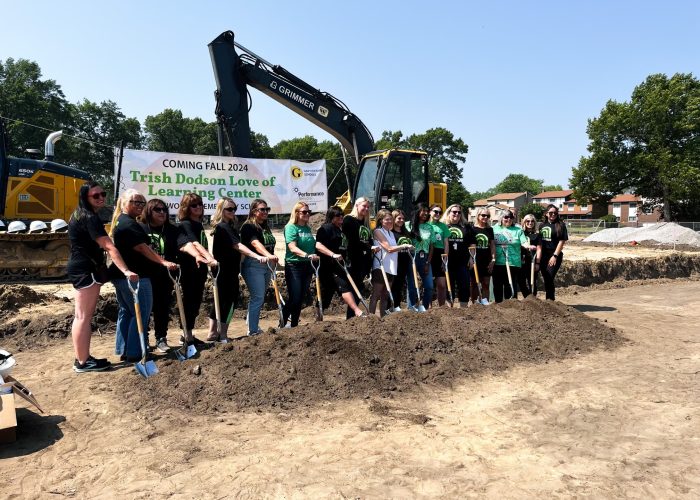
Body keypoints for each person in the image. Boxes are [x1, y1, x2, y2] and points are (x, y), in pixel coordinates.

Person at [67, 182, 136, 373]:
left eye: (102, 194)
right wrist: (125, 270)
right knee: (83, 316)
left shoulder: (80, 214)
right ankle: (82, 362)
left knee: (82, 316)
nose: (101, 198)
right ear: (85, 198)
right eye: (95, 196)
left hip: (82, 267)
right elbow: (109, 246)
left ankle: (82, 358)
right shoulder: (89, 218)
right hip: (85, 270)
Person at [109, 189, 178, 362]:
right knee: (140, 313)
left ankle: (124, 349)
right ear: (124, 203)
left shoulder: (121, 221)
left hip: (123, 276)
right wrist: (163, 262)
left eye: (141, 202)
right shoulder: (130, 224)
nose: (139, 205)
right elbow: (142, 248)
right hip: (136, 277)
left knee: (127, 312)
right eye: (135, 202)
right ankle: (135, 352)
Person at [207, 197, 268, 341]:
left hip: (229, 269)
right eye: (229, 209)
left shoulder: (230, 226)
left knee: (221, 300)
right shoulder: (223, 227)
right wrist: (256, 256)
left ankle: (212, 332)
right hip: (225, 270)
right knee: (229, 301)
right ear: (221, 210)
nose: (232, 211)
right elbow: (237, 246)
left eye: (234, 209)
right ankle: (222, 334)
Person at [176, 193, 218, 345]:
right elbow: (195, 244)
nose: (198, 207)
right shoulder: (185, 224)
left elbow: (202, 244)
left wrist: (209, 258)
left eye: (200, 204)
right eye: (194, 205)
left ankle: (189, 334)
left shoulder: (198, 224)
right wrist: (210, 258)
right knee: (190, 301)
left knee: (196, 302)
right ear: (186, 208)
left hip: (199, 269)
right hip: (189, 269)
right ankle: (186, 335)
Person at [314, 206, 364, 317]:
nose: (341, 217)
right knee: (337, 289)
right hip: (328, 267)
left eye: (342, 214)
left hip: (340, 266)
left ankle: (355, 311)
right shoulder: (326, 228)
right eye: (338, 215)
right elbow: (318, 245)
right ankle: (357, 311)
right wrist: (332, 255)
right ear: (331, 217)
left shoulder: (339, 230)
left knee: (334, 290)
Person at [240, 199, 279, 336]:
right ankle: (253, 330)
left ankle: (251, 322)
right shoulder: (248, 227)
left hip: (267, 265)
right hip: (253, 265)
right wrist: (269, 255)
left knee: (259, 296)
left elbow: (268, 244)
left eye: (266, 209)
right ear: (253, 211)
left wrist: (272, 260)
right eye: (262, 209)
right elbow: (256, 244)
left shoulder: (265, 226)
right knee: (257, 297)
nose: (265, 212)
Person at [282, 202, 320, 328]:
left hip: (307, 266)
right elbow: (292, 247)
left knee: (301, 297)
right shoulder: (291, 227)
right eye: (304, 212)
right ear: (297, 213)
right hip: (294, 266)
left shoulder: (307, 228)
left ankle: (294, 325)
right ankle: (282, 323)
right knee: (295, 297)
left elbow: (313, 246)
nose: (307, 214)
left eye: (308, 212)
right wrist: (306, 255)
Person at [369, 209, 412, 316]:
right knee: (376, 294)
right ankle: (371, 318)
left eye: (391, 220)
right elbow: (389, 249)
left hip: (391, 267)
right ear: (381, 220)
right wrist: (404, 246)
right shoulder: (378, 231)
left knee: (385, 296)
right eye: (387, 220)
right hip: (381, 266)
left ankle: (383, 318)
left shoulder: (391, 233)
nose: (389, 222)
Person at [342, 197, 374, 319]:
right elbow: (352, 240)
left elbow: (369, 240)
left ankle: (351, 317)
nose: (366, 209)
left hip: (363, 261)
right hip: (352, 260)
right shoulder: (349, 220)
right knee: (353, 288)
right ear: (356, 205)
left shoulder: (366, 223)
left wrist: (371, 247)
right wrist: (368, 247)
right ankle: (350, 316)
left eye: (367, 207)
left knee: (358, 289)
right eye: (364, 206)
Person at [492, 210, 529, 303]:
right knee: (497, 285)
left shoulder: (518, 230)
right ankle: (498, 305)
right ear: (501, 218)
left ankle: (511, 306)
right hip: (497, 261)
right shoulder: (493, 229)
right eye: (506, 217)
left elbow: (524, 242)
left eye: (510, 217)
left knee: (510, 284)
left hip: (513, 262)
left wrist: (528, 246)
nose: (508, 219)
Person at [441, 204, 473, 307]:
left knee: (464, 285)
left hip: (463, 261)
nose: (457, 214)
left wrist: (472, 258)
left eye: (459, 212)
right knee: (448, 285)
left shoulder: (466, 226)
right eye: (454, 212)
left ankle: (463, 307)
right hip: (447, 261)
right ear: (449, 213)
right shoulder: (443, 226)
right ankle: (449, 308)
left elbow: (472, 243)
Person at [406, 202, 434, 311]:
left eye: (427, 211)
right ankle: (411, 309)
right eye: (423, 211)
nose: (426, 213)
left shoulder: (429, 227)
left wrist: (428, 262)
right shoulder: (408, 225)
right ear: (418, 211)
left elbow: (432, 246)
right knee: (412, 286)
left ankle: (424, 308)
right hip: (411, 257)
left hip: (425, 258)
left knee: (429, 286)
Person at [538, 204, 568, 300]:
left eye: (555, 213)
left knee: (550, 276)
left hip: (554, 255)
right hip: (543, 255)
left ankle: (550, 300)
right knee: (546, 277)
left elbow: (562, 241)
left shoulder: (561, 225)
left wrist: (555, 255)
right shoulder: (542, 225)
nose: (553, 214)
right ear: (546, 214)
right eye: (551, 213)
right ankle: (549, 301)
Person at [469, 208, 496, 304]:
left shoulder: (490, 229)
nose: (485, 217)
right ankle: (474, 304)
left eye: (487, 216)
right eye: (483, 215)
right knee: (474, 284)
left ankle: (485, 304)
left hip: (486, 259)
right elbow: (471, 246)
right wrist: (471, 259)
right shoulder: (472, 228)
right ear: (478, 216)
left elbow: (492, 245)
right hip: (476, 259)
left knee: (486, 283)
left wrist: (493, 260)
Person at [428, 204, 450, 306]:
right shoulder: (425, 224)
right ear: (430, 212)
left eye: (440, 212)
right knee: (428, 284)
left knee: (441, 284)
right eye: (435, 211)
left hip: (440, 254)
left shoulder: (443, 226)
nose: (437, 214)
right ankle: (428, 306)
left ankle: (442, 307)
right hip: (428, 253)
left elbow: (446, 243)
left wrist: (445, 257)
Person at [390, 209, 412, 309]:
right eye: (399, 218)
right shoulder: (390, 232)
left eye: (403, 218)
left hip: (405, 262)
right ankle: (389, 309)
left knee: (399, 287)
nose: (402, 220)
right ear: (394, 218)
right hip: (394, 263)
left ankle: (397, 308)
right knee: (393, 287)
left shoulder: (405, 232)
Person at [518, 213, 541, 298]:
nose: (530, 223)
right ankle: (527, 298)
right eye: (528, 221)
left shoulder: (537, 235)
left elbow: (539, 249)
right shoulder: (521, 233)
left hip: (533, 260)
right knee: (521, 281)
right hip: (521, 260)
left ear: (534, 223)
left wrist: (537, 263)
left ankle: (533, 299)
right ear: (524, 222)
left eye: (532, 221)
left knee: (532, 281)